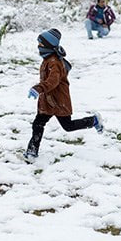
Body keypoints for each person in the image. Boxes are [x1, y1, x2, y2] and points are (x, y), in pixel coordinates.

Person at [24, 28, 104, 161]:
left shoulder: (54, 63)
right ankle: (32, 151)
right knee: (38, 123)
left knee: (68, 126)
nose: (38, 47)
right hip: (48, 101)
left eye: (41, 44)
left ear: (49, 46)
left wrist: (38, 88)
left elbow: (52, 82)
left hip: (59, 101)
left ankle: (93, 120)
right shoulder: (48, 59)